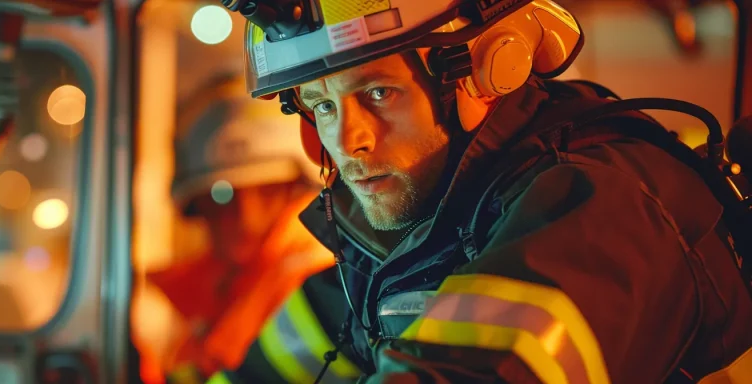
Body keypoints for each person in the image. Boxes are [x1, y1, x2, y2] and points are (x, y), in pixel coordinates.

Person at [215, 0, 752, 382]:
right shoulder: (412, 227)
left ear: (486, 70)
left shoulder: (605, 206)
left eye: (379, 92)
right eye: (324, 106)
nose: (348, 141)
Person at [135, 76, 355, 383]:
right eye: (221, 195)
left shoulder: (326, 281)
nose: (246, 216)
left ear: (297, 189)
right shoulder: (190, 297)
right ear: (195, 207)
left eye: (267, 190)